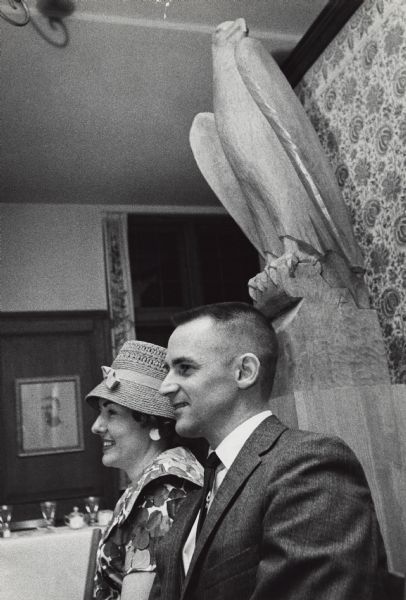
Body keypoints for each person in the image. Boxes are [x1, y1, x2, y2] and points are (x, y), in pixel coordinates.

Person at [150, 301, 390, 600]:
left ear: (244, 371)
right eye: (167, 370)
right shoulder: (196, 499)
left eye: (184, 368)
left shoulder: (308, 465)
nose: (164, 386)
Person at [85, 340, 203, 600]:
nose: (96, 426)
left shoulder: (162, 496)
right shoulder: (153, 483)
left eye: (111, 413)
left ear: (152, 422)